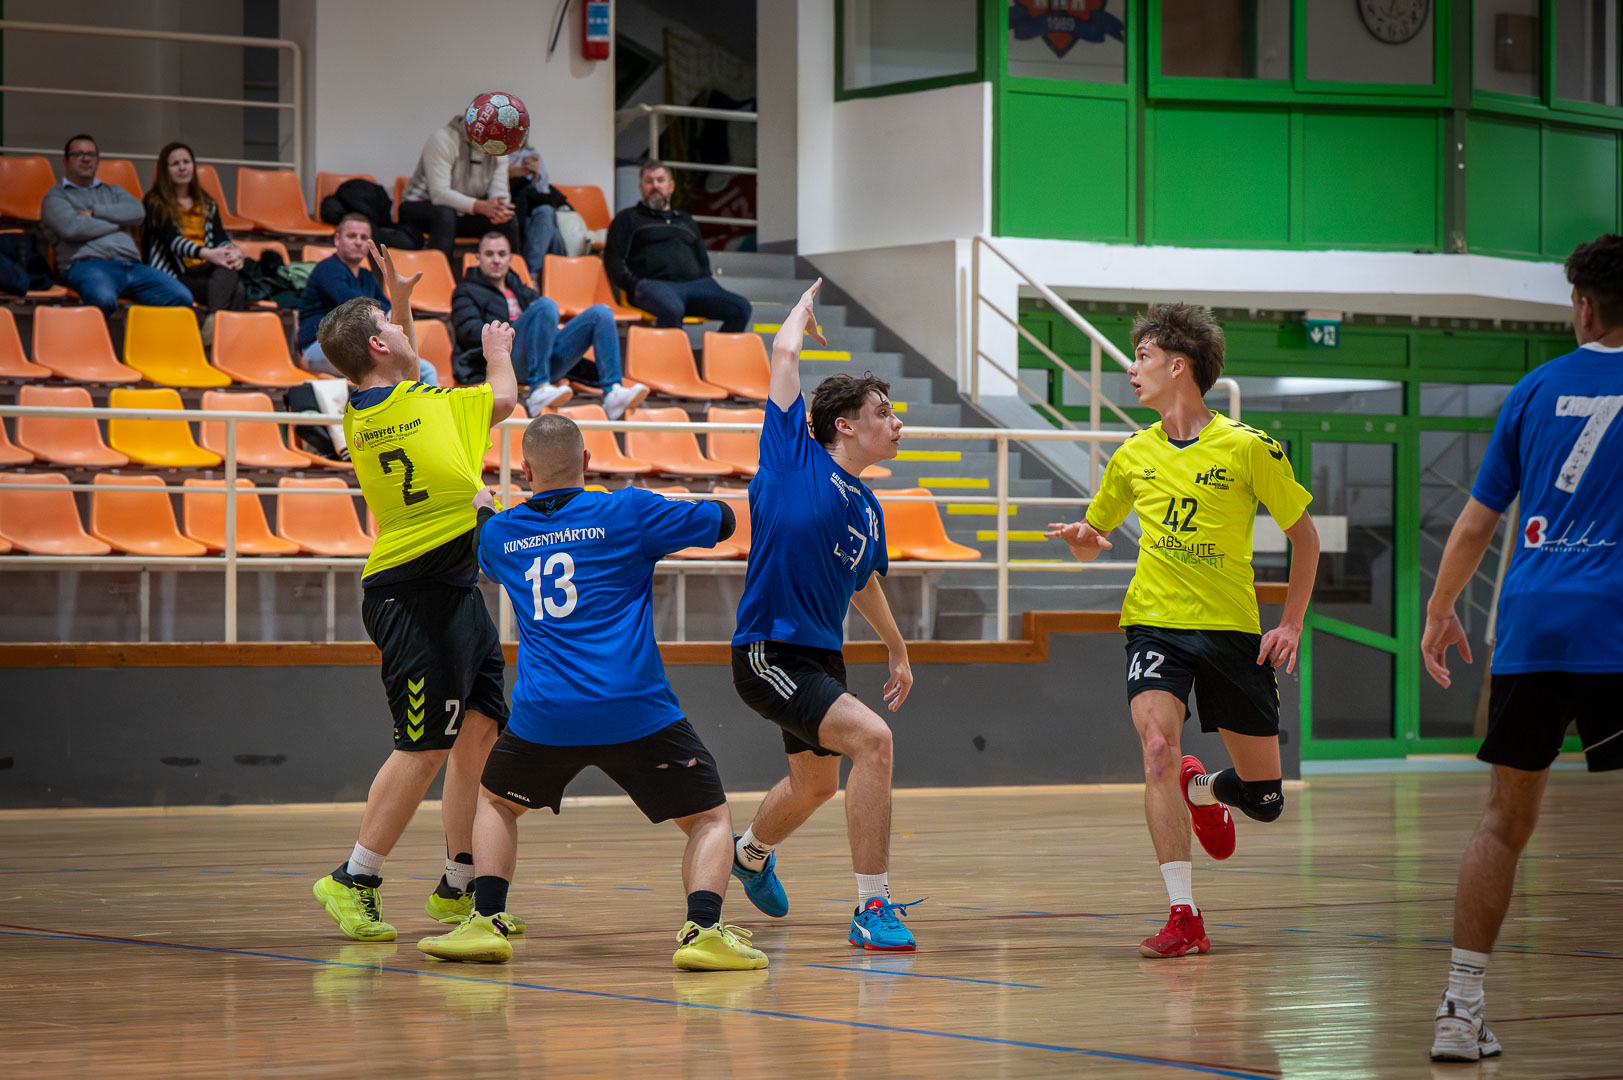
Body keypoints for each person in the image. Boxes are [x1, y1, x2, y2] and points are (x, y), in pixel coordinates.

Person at [417, 414, 767, 971]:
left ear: (525, 471)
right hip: (636, 710)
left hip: (545, 714)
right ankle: (702, 931)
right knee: (709, 818)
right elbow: (722, 521)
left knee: (496, 803)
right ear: (586, 460)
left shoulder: (502, 534)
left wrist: (483, 504)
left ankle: (486, 920)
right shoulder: (627, 510)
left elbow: (486, 536)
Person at [1046, 302, 1320, 960]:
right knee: (1155, 753)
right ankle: (1183, 913)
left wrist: (1289, 623)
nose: (1131, 369)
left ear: (1179, 366)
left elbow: (1306, 539)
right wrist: (1083, 537)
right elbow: (1093, 538)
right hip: (1154, 626)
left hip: (1230, 631)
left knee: (1265, 800)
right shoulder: (1131, 455)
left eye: (1141, 357)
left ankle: (1203, 790)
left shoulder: (1249, 448)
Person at [1422, 235, 1623, 1063]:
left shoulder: (1533, 390)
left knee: (1503, 821)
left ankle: (1458, 1011)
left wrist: (1439, 610)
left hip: (1533, 623)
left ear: (1582, 304)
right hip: (1616, 628)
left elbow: (1476, 523)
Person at [310, 239, 522, 943]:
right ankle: (354, 878)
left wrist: (396, 305)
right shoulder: (434, 407)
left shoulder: (361, 412)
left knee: (479, 730)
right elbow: (505, 397)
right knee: (424, 746)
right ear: (379, 344)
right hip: (415, 595)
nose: (405, 334)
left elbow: (396, 367)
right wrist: (496, 349)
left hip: (451, 589)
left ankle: (458, 883)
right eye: (394, 326)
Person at [726, 279, 920, 951]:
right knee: (875, 742)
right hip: (768, 652)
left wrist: (897, 647)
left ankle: (749, 855)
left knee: (813, 786)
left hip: (820, 657)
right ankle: (873, 906)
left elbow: (862, 582)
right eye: (884, 412)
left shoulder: (867, 506)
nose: (897, 423)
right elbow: (783, 357)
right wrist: (799, 313)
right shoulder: (791, 459)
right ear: (845, 424)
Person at [450, 231, 648, 418]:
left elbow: (545, 325)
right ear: (478, 258)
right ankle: (539, 388)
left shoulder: (519, 288)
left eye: (502, 254)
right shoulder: (466, 291)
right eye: (489, 254)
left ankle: (613, 391)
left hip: (540, 358)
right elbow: (470, 332)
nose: (496, 260)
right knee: (545, 306)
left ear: (510, 259)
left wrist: (541, 331)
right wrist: (520, 329)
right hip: (498, 362)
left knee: (601, 313)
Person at [38, 134, 194, 315]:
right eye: (78, 154)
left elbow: (138, 212)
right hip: (88, 266)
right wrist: (119, 223)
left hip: (132, 266)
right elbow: (72, 228)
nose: (86, 159)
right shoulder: (55, 196)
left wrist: (94, 212)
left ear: (97, 161)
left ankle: (140, 332)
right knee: (103, 298)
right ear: (65, 161)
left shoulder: (114, 191)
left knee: (181, 297)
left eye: (91, 154)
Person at [604, 161, 752, 333]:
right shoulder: (627, 218)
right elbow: (614, 261)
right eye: (649, 181)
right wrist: (636, 285)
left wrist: (703, 280)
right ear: (641, 187)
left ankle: (716, 351)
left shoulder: (685, 221)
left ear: (671, 186)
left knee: (741, 308)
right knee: (672, 308)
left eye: (660, 180)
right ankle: (670, 351)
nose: (655, 186)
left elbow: (702, 260)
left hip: (697, 285)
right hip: (653, 285)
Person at [298, 214, 437, 384]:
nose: (358, 242)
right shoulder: (327, 269)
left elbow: (387, 307)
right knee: (406, 369)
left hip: (359, 344)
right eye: (352, 236)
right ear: (337, 239)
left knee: (420, 369)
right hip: (320, 346)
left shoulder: (367, 276)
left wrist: (395, 311)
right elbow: (355, 307)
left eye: (364, 238)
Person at [141, 141, 247, 325]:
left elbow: (220, 238)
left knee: (229, 267)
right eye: (175, 164)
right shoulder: (154, 202)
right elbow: (173, 241)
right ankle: (214, 332)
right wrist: (208, 254)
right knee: (237, 290)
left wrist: (235, 252)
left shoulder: (207, 202)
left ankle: (212, 326)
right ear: (165, 170)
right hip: (172, 275)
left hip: (201, 270)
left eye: (186, 162)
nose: (182, 168)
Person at [398, 116, 520, 266]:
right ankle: (440, 275)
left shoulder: (499, 146)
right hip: (419, 206)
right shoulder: (443, 138)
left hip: (465, 212)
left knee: (508, 219)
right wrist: (480, 206)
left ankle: (513, 276)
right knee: (445, 214)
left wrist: (499, 209)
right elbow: (439, 194)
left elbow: (500, 192)